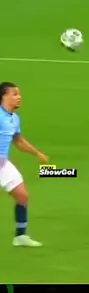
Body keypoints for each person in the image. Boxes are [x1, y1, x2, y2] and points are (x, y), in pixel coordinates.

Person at [0, 82, 48, 247]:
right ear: (4, 96)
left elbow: (18, 141)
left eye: (19, 94)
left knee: (22, 196)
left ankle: (20, 236)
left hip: (3, 164)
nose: (19, 97)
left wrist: (37, 153)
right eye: (14, 94)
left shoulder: (14, 118)